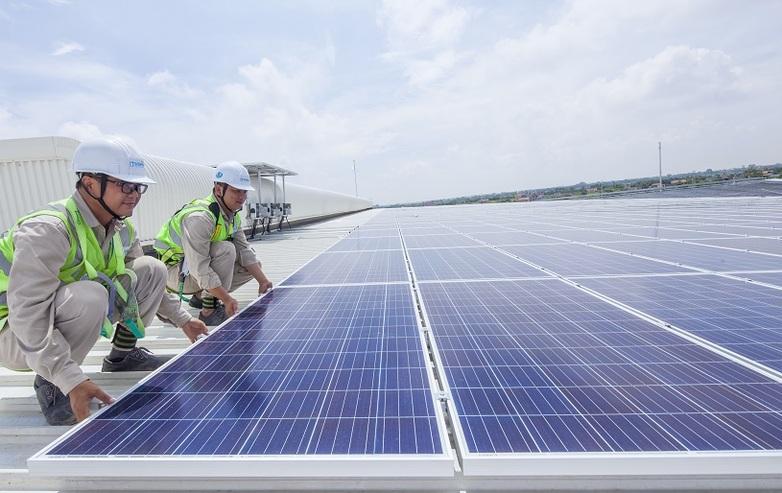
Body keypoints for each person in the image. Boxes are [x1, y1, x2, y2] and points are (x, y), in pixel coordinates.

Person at [0, 139, 207, 426]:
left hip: (52, 318)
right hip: (14, 332)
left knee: (151, 268)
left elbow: (148, 286)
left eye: (138, 187)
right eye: (125, 185)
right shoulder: (49, 229)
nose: (134, 194)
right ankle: (52, 383)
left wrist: (184, 320)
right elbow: (27, 313)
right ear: (90, 183)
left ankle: (122, 356)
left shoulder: (121, 227)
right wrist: (70, 378)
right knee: (90, 295)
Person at [154, 161, 273, 326]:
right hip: (174, 274)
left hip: (191, 271)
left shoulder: (232, 215)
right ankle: (208, 311)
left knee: (253, 266)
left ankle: (200, 298)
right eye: (236, 191)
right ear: (219, 190)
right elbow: (199, 267)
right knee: (226, 250)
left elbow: (245, 251)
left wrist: (263, 281)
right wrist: (227, 299)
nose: (241, 197)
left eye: (244, 192)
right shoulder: (199, 218)